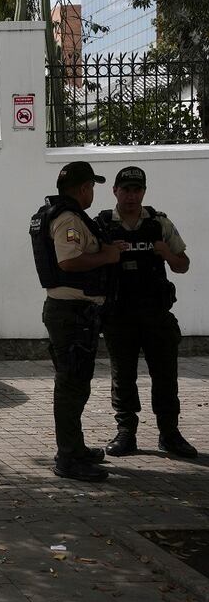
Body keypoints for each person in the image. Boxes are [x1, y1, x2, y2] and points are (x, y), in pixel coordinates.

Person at [30, 161, 121, 482]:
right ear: (83, 188)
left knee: (76, 384)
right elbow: (68, 261)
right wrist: (107, 257)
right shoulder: (68, 218)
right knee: (71, 386)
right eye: (92, 187)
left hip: (74, 312)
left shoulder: (61, 214)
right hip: (72, 314)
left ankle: (75, 447)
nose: (92, 192)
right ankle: (68, 457)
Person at [97, 166, 196, 458]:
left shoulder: (159, 223)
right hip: (119, 315)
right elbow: (86, 264)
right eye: (125, 189)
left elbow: (183, 264)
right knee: (123, 376)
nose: (131, 195)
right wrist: (107, 254)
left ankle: (169, 434)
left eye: (136, 190)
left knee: (165, 376)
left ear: (143, 192)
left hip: (156, 314)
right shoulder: (102, 224)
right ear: (115, 191)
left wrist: (166, 253)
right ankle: (126, 433)